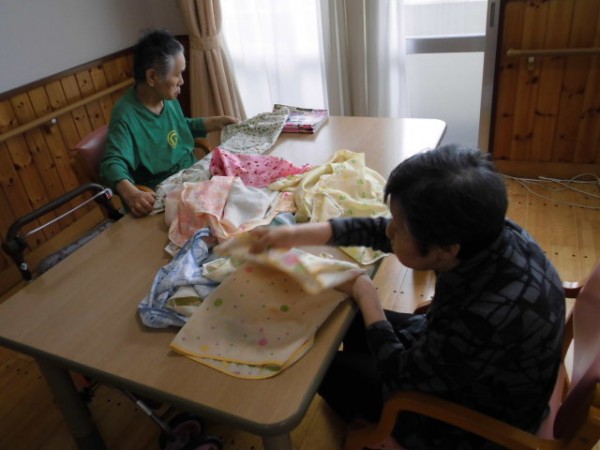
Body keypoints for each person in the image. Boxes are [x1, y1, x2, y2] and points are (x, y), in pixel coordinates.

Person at [248, 144, 565, 449]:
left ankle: (376, 428)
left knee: (324, 367)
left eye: (400, 229)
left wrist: (367, 293)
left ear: (446, 249)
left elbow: (402, 377)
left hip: (471, 423)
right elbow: (381, 230)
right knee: (348, 318)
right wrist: (293, 234)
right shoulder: (489, 232)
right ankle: (362, 398)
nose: (390, 232)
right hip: (461, 359)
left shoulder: (487, 318)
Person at [99, 29, 238, 217]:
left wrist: (214, 122)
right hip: (163, 193)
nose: (182, 81)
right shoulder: (125, 115)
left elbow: (179, 127)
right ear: (152, 77)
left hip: (192, 176)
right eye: (177, 74)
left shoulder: (166, 97)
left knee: (242, 192)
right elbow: (111, 163)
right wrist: (131, 193)